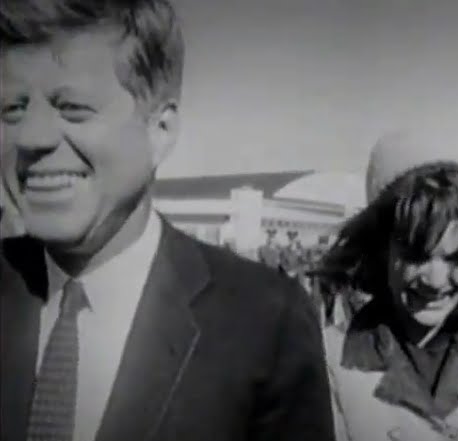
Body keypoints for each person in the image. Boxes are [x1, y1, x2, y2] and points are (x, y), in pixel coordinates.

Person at [0, 1, 335, 441]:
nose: (31, 137)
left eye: (72, 107)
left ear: (160, 130)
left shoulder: (266, 321)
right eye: (12, 110)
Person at [321, 132, 458, 441]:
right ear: (382, 250)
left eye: (455, 258)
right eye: (416, 255)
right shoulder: (330, 361)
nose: (436, 281)